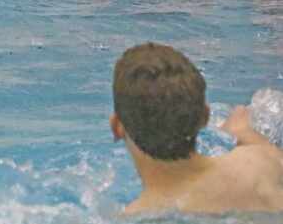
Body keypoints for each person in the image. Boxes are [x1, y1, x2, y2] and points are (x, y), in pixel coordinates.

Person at [110, 42, 283, 215]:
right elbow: (266, 150)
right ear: (205, 117)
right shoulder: (259, 166)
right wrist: (241, 130)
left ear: (117, 127)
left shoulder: (134, 216)